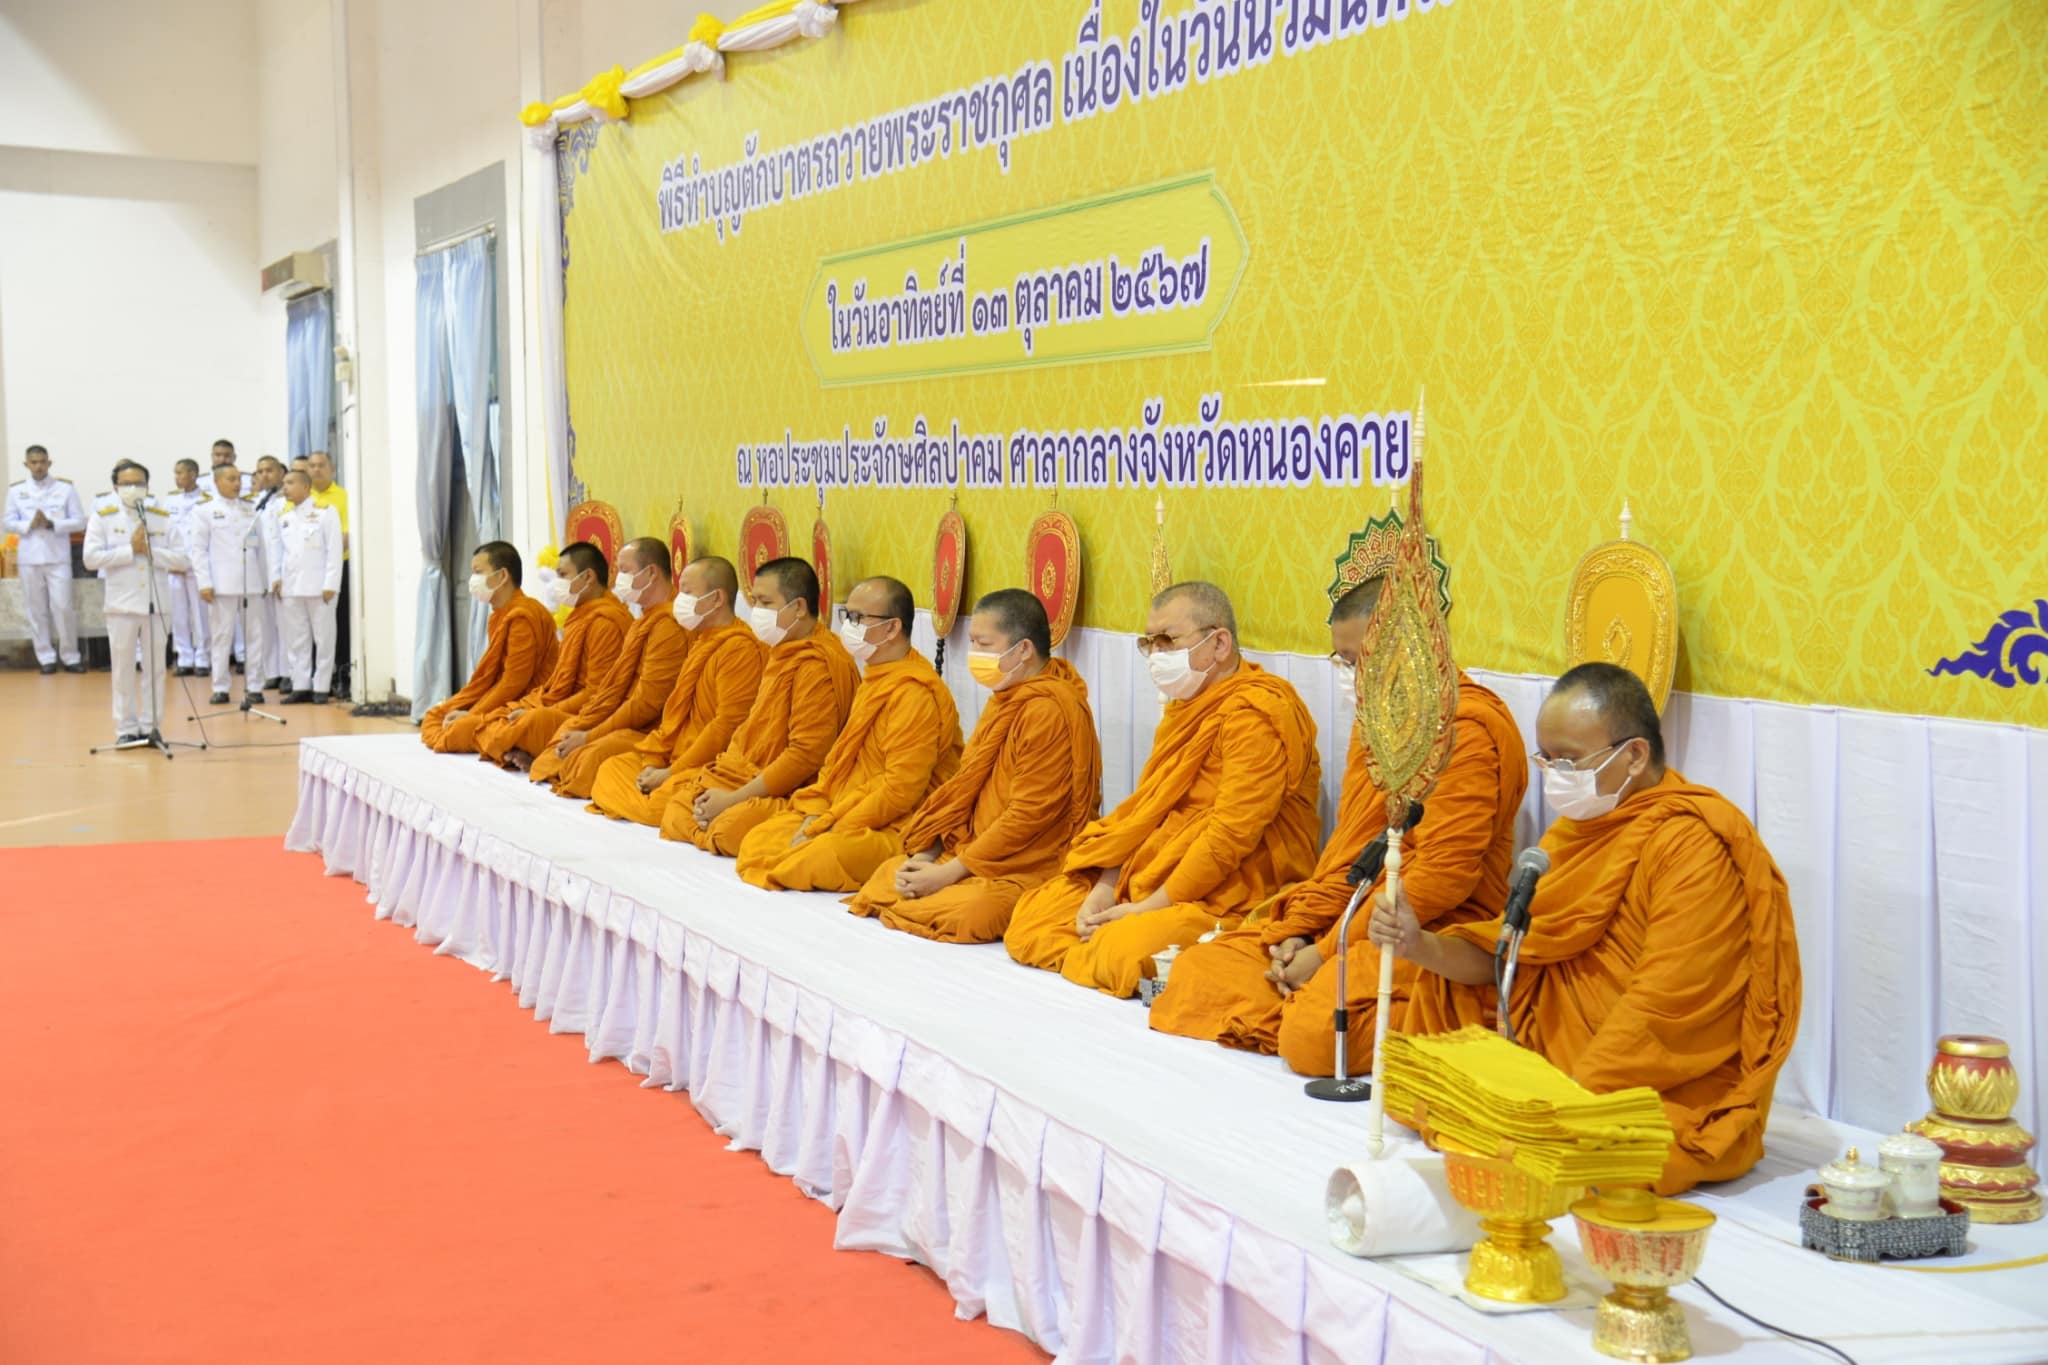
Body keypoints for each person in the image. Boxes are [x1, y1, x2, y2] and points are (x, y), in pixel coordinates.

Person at [1369, 662, 1802, 1195]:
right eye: (1546, 760)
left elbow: (1664, 1008)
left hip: (1637, 1085)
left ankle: (1533, 1124)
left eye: (1569, 760)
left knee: (1601, 1147)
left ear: (1635, 755)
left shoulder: (1691, 845)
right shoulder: (1571, 837)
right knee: (1435, 1019)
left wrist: (1562, 1107)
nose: (1554, 775)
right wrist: (1420, 944)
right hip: (1549, 1066)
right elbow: (1513, 956)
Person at [1148, 577, 1529, 1073]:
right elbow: (1351, 856)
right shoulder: (1379, 721)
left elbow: (1444, 877)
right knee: (1200, 970)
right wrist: (1307, 934)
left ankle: (1404, 1010)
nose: (1351, 675)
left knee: (1314, 1035)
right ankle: (1301, 995)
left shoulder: (1465, 730)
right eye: (1343, 662)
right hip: (1351, 916)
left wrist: (1329, 950)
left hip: (1424, 930)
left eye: (1359, 659)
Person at [1004, 581, 1321, 998]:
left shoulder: (1257, 714)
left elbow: (1229, 838)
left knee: (1118, 950)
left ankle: (1128, 939)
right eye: (1149, 643)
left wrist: (1146, 909)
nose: (1156, 656)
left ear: (1220, 643)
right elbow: (1145, 814)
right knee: (1031, 918)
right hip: (1151, 875)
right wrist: (1105, 886)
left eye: (1168, 640)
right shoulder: (1185, 709)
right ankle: (1112, 931)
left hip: (1225, 892)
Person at [846, 588, 1101, 941]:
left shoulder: (1049, 709)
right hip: (971, 849)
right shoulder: (1008, 697)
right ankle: (928, 887)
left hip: (1028, 861)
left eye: (983, 644)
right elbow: (965, 792)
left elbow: (1029, 816)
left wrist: (948, 873)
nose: (973, 655)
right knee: (888, 877)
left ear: (1023, 649)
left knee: (975, 911)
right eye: (972, 643)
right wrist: (930, 854)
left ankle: (934, 894)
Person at [734, 576, 965, 892]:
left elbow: (901, 790)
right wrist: (818, 813)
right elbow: (838, 763)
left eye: (857, 618)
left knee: (815, 856)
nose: (848, 626)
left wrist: (836, 823)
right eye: (847, 616)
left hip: (896, 824)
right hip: (844, 808)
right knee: (758, 840)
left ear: (892, 629)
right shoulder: (876, 678)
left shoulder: (914, 693)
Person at [655, 556, 860, 855]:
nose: (757, 612)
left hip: (793, 789)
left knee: (727, 829)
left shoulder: (817, 663)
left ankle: (714, 827)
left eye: (765, 603)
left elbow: (805, 757)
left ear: (799, 607)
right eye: (755, 602)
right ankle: (709, 825)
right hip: (746, 773)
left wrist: (734, 798)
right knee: (676, 805)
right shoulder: (781, 652)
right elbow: (750, 731)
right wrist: (724, 780)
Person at [586, 556, 768, 826]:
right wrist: (654, 761)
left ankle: (644, 803)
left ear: (717, 598)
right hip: (675, 756)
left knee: (664, 804)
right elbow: (674, 718)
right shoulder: (703, 640)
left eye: (686, 592)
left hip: (708, 764)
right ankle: (643, 799)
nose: (679, 600)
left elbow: (726, 726)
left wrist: (671, 772)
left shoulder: (738, 647)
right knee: (609, 767)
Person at [522, 537, 689, 797]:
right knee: (564, 733)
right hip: (620, 715)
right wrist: (587, 725)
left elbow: (646, 704)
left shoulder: (667, 625)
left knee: (588, 755)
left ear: (652, 573)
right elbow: (611, 689)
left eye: (625, 571)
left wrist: (591, 734)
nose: (618, 578)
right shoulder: (644, 620)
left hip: (651, 729)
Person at [466, 542, 633, 761]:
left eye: (563, 575)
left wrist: (541, 711)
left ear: (588, 577)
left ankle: (529, 747)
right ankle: (527, 746)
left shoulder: (605, 622)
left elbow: (595, 693)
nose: (557, 583)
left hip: (584, 713)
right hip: (553, 702)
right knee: (495, 719)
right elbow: (557, 683)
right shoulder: (579, 617)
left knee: (481, 726)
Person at [82, 461, 188, 745]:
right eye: (127, 484)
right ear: (116, 487)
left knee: (155, 669)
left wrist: (151, 551)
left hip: (156, 603)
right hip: (121, 604)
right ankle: (126, 728)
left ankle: (152, 726)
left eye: (139, 483)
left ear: (148, 486)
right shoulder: (102, 517)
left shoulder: (161, 517)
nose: (133, 489)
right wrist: (130, 550)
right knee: (123, 669)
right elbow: (91, 559)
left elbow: (183, 559)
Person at [417, 541, 558, 747]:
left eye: (478, 572)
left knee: (459, 729)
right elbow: (494, 678)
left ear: (502, 576)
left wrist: (473, 713)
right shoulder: (499, 616)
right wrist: (469, 707)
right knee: (437, 715)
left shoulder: (523, 616)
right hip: (504, 699)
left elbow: (514, 682)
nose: (473, 580)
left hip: (527, 702)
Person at [189, 463, 281, 705]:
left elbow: (261, 548)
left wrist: (265, 580)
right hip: (221, 584)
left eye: (238, 479)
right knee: (221, 636)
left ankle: (254, 687)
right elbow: (198, 550)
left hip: (251, 582)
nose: (237, 484)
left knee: (255, 636)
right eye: (231, 479)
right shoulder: (205, 511)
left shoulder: (250, 509)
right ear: (217, 482)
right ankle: (220, 686)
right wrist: (204, 582)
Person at [3, 444, 86, 674]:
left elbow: (79, 521)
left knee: (63, 607)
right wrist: (27, 524)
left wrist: (52, 523)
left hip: (58, 557)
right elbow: (7, 522)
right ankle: (46, 657)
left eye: (42, 462)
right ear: (26, 464)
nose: (38, 466)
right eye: (34, 462)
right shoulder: (16, 491)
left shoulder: (65, 489)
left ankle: (70, 656)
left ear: (49, 463)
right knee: (36, 609)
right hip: (29, 558)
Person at [271, 470, 344, 703]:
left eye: (290, 483)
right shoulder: (284, 516)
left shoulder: (325, 512)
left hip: (320, 587)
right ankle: (300, 685)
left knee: (324, 639)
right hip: (292, 587)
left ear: (305, 487)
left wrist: (331, 583)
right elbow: (279, 552)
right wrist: (277, 578)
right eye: (284, 484)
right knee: (297, 639)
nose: (285, 487)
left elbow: (334, 550)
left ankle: (321, 686)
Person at [305, 451, 351, 698]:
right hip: (308, 574)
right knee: (309, 629)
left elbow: (346, 537)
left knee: (339, 626)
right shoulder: (302, 498)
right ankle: (315, 678)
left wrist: (325, 552)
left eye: (321, 465)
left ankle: (343, 675)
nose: (316, 470)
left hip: (338, 570)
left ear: (331, 468)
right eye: (311, 466)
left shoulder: (342, 497)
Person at [162, 458, 211, 676]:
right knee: (178, 614)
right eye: (175, 473)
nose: (176, 477)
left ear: (193, 474)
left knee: (200, 614)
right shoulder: (169, 501)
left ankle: (202, 657)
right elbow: (165, 533)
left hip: (197, 564)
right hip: (175, 563)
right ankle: (183, 657)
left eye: (180, 473)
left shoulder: (207, 500)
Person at [249, 457, 289, 691]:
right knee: (264, 626)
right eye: (260, 471)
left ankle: (287, 672)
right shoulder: (254, 504)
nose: (264, 475)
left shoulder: (288, 501)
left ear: (281, 472)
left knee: (285, 626)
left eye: (269, 470)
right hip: (260, 572)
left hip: (283, 572)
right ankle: (271, 671)